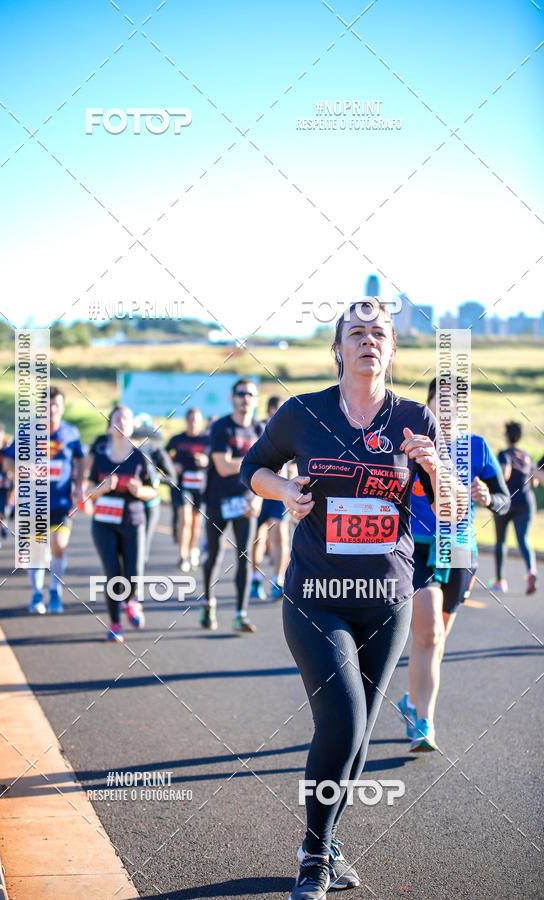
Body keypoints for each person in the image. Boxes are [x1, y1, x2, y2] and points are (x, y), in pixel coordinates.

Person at [240, 300, 467, 899]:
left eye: (379, 334)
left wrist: (435, 470)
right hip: (316, 594)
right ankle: (313, 855)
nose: (368, 341)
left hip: (386, 598)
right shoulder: (302, 413)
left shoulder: (415, 417)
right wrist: (284, 487)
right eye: (356, 333)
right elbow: (253, 468)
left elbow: (453, 512)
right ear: (338, 348)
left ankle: (330, 838)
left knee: (360, 734)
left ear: (392, 349)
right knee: (339, 720)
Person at [397, 377, 510, 752]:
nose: (446, 412)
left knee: (438, 640)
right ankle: (424, 722)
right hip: (419, 547)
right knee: (428, 633)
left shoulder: (476, 448)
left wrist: (489, 497)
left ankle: (411, 702)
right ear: (427, 406)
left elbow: (505, 500)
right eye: (438, 403)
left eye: (454, 405)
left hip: (461, 551)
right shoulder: (412, 445)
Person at [4, 386, 86, 614]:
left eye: (56, 404)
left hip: (61, 503)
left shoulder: (71, 433)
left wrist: (80, 485)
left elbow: (80, 459)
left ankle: (55, 592)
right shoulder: (27, 431)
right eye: (47, 405)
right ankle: (37, 594)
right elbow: (7, 463)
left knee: (58, 545)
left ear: (62, 407)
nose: (51, 409)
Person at [88, 405, 158, 642]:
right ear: (110, 426)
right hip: (104, 522)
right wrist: (103, 488)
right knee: (112, 573)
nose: (122, 422)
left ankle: (132, 600)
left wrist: (141, 491)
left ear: (132, 425)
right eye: (117, 418)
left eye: (127, 418)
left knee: (134, 570)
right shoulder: (100, 458)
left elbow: (154, 491)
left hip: (133, 519)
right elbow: (89, 493)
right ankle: (115, 623)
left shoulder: (141, 456)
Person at [201, 379, 263, 633]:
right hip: (218, 500)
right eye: (240, 394)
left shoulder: (261, 430)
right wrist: (253, 464)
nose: (245, 398)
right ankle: (208, 603)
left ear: (256, 399)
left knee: (245, 558)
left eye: (250, 394)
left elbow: (272, 468)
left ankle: (241, 613)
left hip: (247, 501)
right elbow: (223, 467)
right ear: (232, 398)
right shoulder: (221, 427)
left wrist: (258, 497)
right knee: (214, 554)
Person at [250, 395, 291, 601]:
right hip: (259, 492)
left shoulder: (292, 432)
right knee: (258, 536)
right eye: (278, 411)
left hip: (281, 492)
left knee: (281, 535)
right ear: (270, 412)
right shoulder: (258, 430)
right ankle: (255, 578)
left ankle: (278, 579)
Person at [491, 422, 538, 594]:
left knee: (501, 541)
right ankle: (531, 571)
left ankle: (499, 581)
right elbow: (534, 481)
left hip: (506, 502)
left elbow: (505, 474)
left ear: (506, 436)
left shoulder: (505, 454)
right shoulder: (527, 456)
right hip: (526, 502)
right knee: (524, 539)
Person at [166, 408, 209, 572]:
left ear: (201, 422)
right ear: (186, 421)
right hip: (182, 485)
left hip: (200, 487)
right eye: (190, 420)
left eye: (196, 420)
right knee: (185, 519)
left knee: (196, 524)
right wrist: (172, 466)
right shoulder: (177, 439)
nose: (193, 424)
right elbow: (162, 456)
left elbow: (216, 459)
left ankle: (191, 551)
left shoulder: (207, 440)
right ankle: (182, 555)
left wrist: (206, 461)